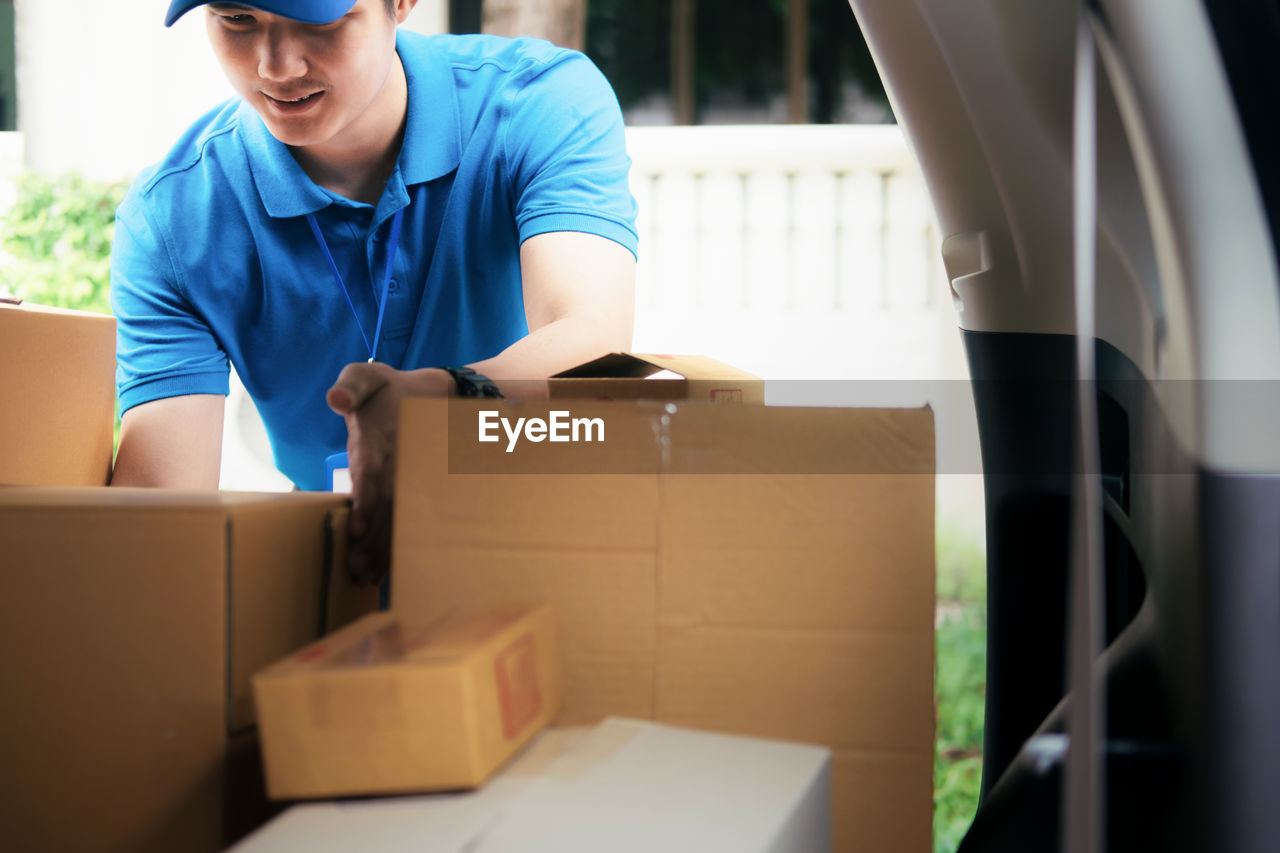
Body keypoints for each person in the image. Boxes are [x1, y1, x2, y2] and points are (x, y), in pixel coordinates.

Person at [109, 0, 639, 583]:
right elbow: (158, 521)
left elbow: (592, 340)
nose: (276, 67)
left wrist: (439, 405)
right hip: (334, 573)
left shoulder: (539, 101)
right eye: (238, 20)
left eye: (317, 20)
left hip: (547, 549)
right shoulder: (172, 217)